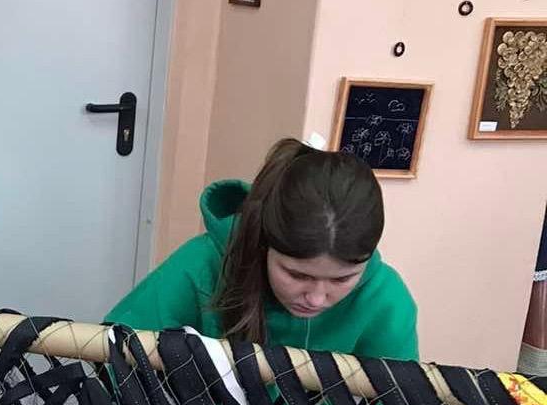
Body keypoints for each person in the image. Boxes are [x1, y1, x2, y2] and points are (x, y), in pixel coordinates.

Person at [105, 138, 418, 360]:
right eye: (296, 274)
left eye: (341, 280)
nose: (316, 298)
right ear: (265, 244)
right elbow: (112, 358)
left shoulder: (386, 300)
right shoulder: (203, 265)